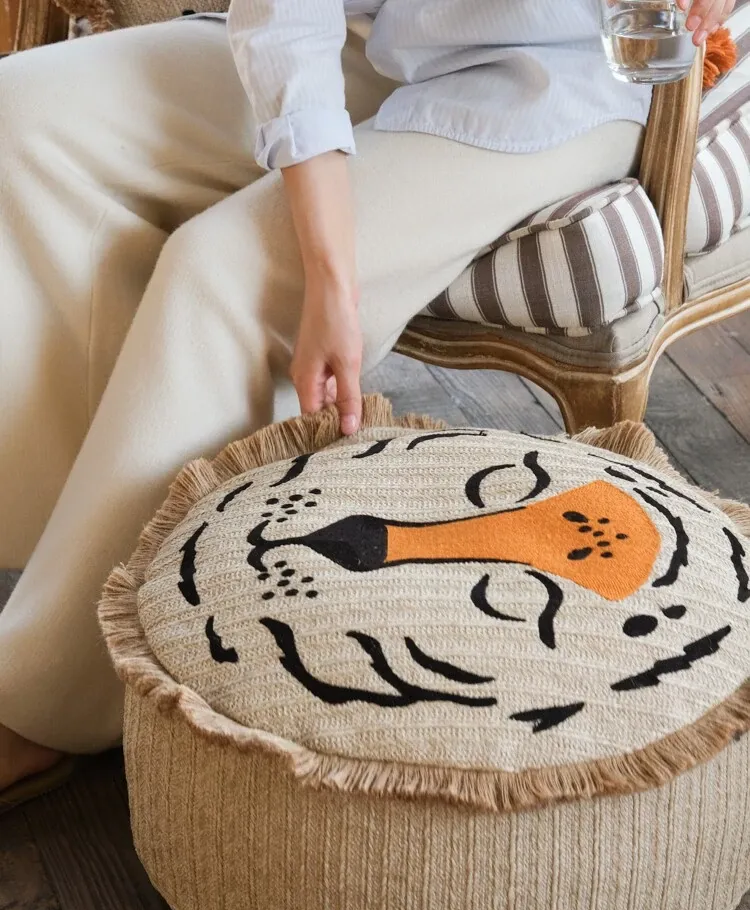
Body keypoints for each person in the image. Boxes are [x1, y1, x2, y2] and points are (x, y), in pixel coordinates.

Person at [0, 0, 731, 806]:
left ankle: (47, 702)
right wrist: (330, 269)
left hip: (550, 76)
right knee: (26, 112)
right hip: (366, 37)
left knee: (225, 273)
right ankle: (69, 555)